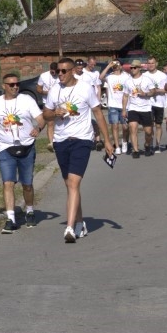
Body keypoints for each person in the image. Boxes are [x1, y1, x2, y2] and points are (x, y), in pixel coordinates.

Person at [44, 57, 115, 243]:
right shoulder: (54, 90)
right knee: (70, 185)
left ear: (73, 71)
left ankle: (69, 228)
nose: (60, 74)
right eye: (57, 71)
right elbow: (45, 114)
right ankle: (80, 221)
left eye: (63, 71)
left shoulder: (85, 88)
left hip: (82, 140)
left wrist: (107, 141)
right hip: (61, 141)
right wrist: (54, 113)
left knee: (74, 183)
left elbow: (98, 113)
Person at [0, 72, 45, 233]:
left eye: (17, 84)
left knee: (27, 184)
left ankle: (30, 211)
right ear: (4, 86)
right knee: (8, 182)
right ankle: (10, 218)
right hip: (5, 148)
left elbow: (41, 118)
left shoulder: (27, 100)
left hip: (27, 146)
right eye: (11, 85)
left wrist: (38, 128)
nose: (15, 87)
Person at [121, 60, 157, 158]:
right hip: (133, 108)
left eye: (134, 68)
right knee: (133, 128)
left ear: (139, 68)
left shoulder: (146, 79)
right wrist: (124, 109)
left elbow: (153, 91)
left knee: (149, 131)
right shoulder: (128, 81)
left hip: (146, 108)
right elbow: (125, 96)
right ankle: (135, 150)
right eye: (131, 68)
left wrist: (145, 94)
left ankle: (147, 145)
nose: (132, 69)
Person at [100, 59, 129, 153]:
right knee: (115, 126)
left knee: (125, 126)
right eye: (114, 64)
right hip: (113, 105)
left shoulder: (126, 76)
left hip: (124, 105)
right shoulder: (110, 76)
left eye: (118, 63)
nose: (116, 65)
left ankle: (124, 141)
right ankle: (117, 146)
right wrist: (108, 66)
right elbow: (101, 77)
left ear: (121, 65)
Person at [145, 56, 167, 152]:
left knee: (158, 125)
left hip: (159, 103)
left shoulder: (162, 75)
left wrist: (157, 90)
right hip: (148, 104)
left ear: (156, 64)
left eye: (152, 63)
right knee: (149, 125)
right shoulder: (144, 75)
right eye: (149, 63)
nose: (151, 65)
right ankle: (150, 144)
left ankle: (157, 144)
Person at [35, 62, 58, 149]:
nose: (55, 74)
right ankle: (51, 143)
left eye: (56, 71)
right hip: (47, 102)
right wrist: (46, 92)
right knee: (50, 122)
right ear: (50, 69)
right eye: (53, 72)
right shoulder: (43, 76)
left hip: (59, 102)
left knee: (61, 121)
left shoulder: (61, 75)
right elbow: (38, 89)